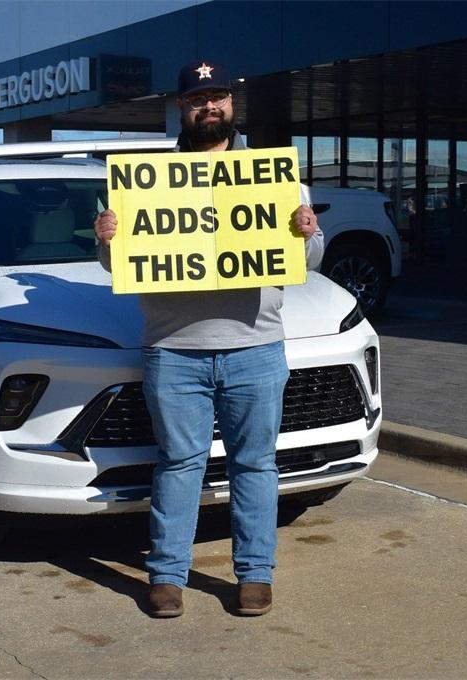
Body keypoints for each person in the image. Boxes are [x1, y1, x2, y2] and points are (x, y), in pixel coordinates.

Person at [94, 60, 323, 618]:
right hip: (174, 350)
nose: (209, 107)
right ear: (181, 107)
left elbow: (309, 261)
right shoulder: (141, 184)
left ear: (232, 105)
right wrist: (105, 239)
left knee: (256, 465)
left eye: (218, 96)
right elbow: (115, 263)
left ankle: (255, 575)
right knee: (178, 464)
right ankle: (167, 576)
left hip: (256, 346)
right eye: (198, 99)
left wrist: (308, 232)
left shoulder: (274, 176)